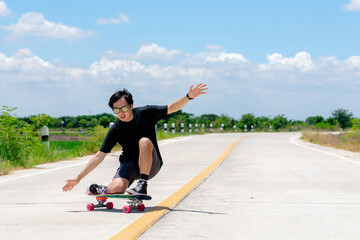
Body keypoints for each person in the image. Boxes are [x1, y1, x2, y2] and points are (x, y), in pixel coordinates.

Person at [62, 83, 208, 195]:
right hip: (129, 163)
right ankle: (103, 188)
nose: (121, 113)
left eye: (124, 108)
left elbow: (172, 108)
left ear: (131, 105)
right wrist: (78, 178)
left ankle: (142, 185)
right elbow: (99, 156)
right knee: (118, 188)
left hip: (151, 165)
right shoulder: (116, 129)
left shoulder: (146, 113)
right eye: (116, 110)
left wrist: (188, 97)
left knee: (144, 141)